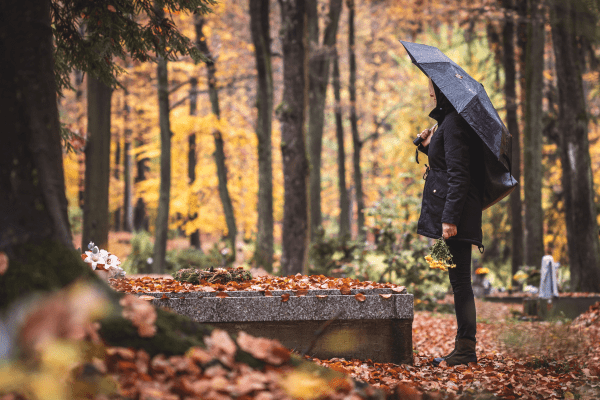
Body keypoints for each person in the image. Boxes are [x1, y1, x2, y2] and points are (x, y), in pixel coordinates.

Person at [416, 78, 485, 366]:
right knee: (459, 283)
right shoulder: (447, 123)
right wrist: (425, 145)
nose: (430, 91)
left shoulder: (454, 123)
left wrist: (449, 219)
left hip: (457, 214)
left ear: (443, 90)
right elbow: (444, 164)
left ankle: (466, 349)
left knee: (461, 284)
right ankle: (465, 348)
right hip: (455, 212)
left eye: (433, 86)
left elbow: (459, 175)